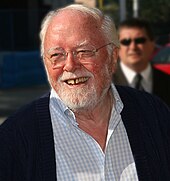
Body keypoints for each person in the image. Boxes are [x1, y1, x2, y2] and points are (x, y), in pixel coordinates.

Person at [0, 4, 170, 181]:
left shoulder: (153, 114)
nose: (70, 65)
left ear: (112, 57)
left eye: (84, 52)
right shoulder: (14, 139)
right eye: (57, 55)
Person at [112, 18, 170, 106]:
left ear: (152, 44)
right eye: (126, 42)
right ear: (117, 47)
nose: (133, 47)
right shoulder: (106, 84)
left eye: (140, 41)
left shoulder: (167, 82)